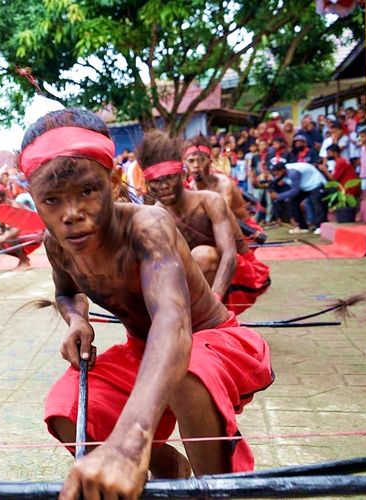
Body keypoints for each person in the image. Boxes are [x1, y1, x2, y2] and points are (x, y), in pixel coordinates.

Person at [20, 109, 272, 498]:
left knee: (186, 374)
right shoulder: (56, 244)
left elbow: (173, 323)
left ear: (114, 182)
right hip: (144, 349)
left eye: (87, 191)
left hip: (207, 340)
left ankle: (217, 490)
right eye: (52, 200)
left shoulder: (147, 225)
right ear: (34, 200)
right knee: (66, 406)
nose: (71, 214)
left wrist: (130, 440)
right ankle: (168, 466)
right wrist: (76, 320)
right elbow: (66, 292)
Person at [140, 130, 271, 315]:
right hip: (190, 270)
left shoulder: (214, 195)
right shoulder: (157, 213)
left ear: (182, 177)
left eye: (169, 178)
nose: (163, 186)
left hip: (231, 256)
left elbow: (229, 253)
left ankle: (208, 313)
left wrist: (214, 301)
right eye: (156, 181)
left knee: (203, 255)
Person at [185, 137, 266, 242]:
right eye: (191, 161)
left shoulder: (223, 183)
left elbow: (222, 216)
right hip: (215, 230)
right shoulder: (191, 187)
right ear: (185, 162)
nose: (196, 165)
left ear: (210, 161)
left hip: (243, 231)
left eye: (201, 160)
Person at [0, 183, 43, 270]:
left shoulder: (14, 206)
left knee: (9, 237)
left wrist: (3, 236)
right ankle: (23, 259)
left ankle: (24, 261)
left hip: (36, 232)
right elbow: (2, 226)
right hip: (23, 233)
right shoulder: (1, 207)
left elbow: (17, 229)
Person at [270, 161, 327, 233]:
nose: (277, 176)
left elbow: (294, 191)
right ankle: (302, 226)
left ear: (283, 170)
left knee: (317, 203)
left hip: (315, 183)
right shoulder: (282, 173)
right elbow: (273, 184)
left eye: (278, 173)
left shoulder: (293, 173)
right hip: (304, 186)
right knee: (293, 202)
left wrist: (278, 196)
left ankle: (320, 226)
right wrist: (272, 191)